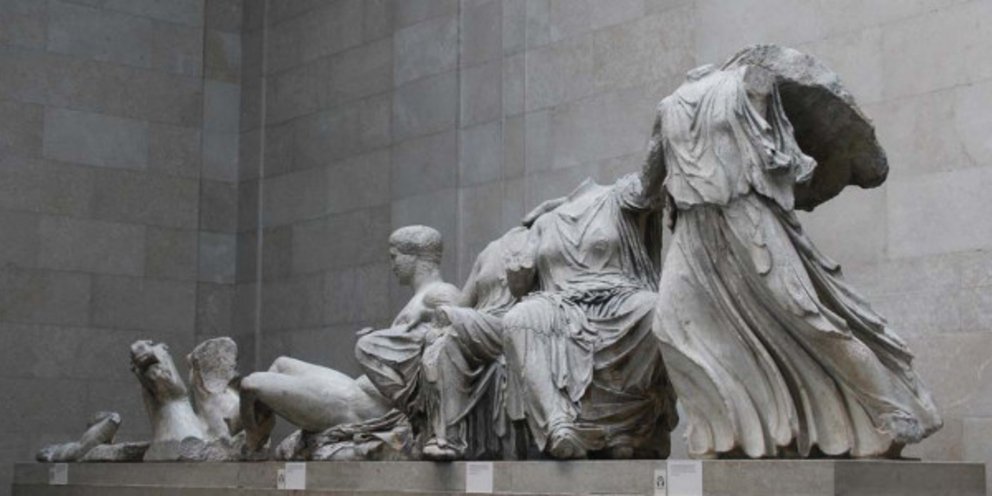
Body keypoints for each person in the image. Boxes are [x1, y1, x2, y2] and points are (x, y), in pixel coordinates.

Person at [643, 61, 942, 458]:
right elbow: (648, 180)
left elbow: (784, 161)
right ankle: (731, 432)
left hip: (749, 217)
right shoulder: (668, 107)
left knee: (808, 317)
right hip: (692, 229)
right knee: (670, 324)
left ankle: (891, 408)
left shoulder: (750, 80)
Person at [500, 174, 679, 460]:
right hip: (560, 304)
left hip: (619, 296)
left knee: (655, 308)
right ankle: (558, 424)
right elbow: (519, 287)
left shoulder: (618, 197)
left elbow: (651, 183)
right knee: (519, 318)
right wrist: (517, 269)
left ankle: (628, 427)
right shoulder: (544, 223)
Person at [418, 226, 531, 460]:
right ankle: (448, 438)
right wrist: (427, 317)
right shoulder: (489, 252)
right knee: (444, 343)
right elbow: (463, 302)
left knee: (449, 321)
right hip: (476, 325)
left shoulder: (541, 242)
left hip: (513, 325)